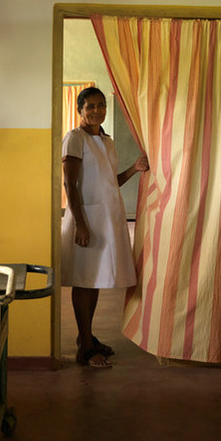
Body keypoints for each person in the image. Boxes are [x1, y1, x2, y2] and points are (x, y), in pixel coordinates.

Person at [61, 87, 149, 368]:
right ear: (80, 110)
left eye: (101, 106)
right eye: (90, 107)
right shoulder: (75, 139)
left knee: (95, 279)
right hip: (87, 219)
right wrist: (81, 225)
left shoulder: (106, 140)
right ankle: (85, 347)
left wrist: (134, 169)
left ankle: (87, 336)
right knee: (84, 280)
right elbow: (70, 185)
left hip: (107, 219)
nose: (97, 111)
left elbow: (111, 182)